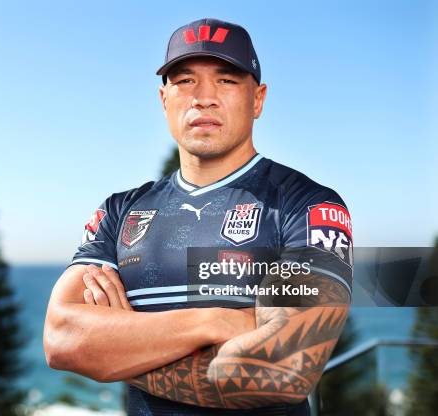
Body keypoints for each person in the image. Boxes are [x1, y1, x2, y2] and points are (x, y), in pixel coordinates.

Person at [44, 18, 353, 416]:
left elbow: (286, 367)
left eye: (226, 80)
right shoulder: (120, 213)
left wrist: (115, 353)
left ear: (257, 99)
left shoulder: (307, 206)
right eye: (185, 80)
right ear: (163, 99)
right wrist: (213, 322)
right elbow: (61, 339)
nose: (203, 97)